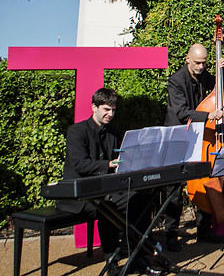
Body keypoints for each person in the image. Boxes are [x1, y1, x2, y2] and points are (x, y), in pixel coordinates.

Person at [57, 88, 155, 273]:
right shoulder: (77, 131)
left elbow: (120, 160)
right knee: (109, 207)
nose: (111, 114)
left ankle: (138, 257)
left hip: (106, 189)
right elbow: (80, 164)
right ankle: (112, 261)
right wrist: (109, 164)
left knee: (140, 199)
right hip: (80, 194)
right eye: (106, 110)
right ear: (94, 107)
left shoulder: (113, 133)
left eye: (113, 110)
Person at [163, 43, 224, 247]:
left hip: (200, 138)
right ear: (188, 59)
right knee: (174, 191)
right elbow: (182, 112)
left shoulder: (205, 76)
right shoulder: (176, 81)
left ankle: (204, 231)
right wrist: (210, 115)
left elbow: (222, 88)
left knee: (204, 182)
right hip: (178, 136)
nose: (201, 67)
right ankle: (170, 235)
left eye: (204, 63)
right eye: (197, 63)